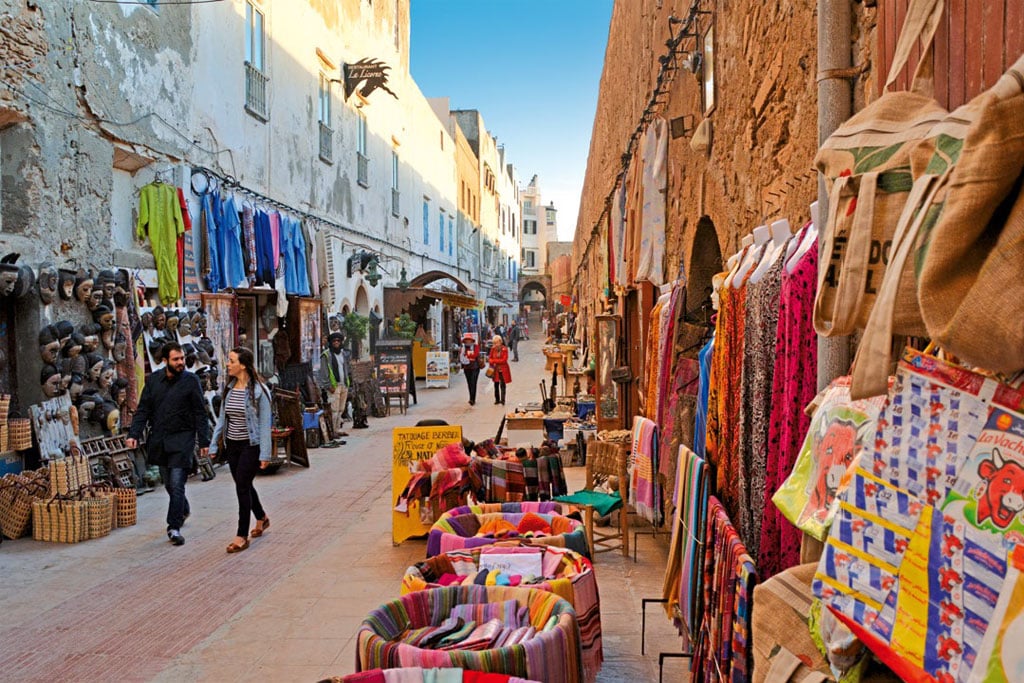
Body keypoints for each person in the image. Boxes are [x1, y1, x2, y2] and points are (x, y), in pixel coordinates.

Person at [127, 341, 210, 546]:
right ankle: (183, 508)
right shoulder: (154, 381)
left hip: (183, 439)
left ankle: (173, 527)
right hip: (161, 440)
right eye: (176, 359)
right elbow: (143, 410)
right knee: (168, 482)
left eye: (182, 358)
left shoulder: (191, 381)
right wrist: (134, 434)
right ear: (165, 361)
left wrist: (204, 441)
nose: (181, 362)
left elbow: (201, 412)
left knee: (176, 481)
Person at [208, 347, 272, 554]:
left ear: (243, 365)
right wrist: (213, 443)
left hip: (250, 446)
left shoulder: (259, 391)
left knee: (242, 486)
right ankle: (261, 517)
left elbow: (264, 425)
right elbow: (221, 418)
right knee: (243, 484)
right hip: (232, 444)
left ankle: (241, 535)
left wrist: (265, 454)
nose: (228, 364)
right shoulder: (229, 388)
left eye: (232, 360)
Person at [317, 332, 350, 438]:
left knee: (341, 409)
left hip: (343, 385)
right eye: (334, 341)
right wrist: (328, 385)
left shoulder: (344, 354)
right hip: (333, 386)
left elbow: (347, 369)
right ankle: (333, 431)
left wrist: (348, 383)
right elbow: (323, 372)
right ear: (331, 343)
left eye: (338, 341)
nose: (336, 343)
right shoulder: (326, 355)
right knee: (334, 410)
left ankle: (338, 429)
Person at [458, 334, 482, 406]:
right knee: (469, 383)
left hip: (475, 367)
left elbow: (475, 354)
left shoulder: (476, 346)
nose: (468, 341)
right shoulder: (463, 348)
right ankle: (470, 397)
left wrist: (467, 356)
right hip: (467, 368)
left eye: (469, 340)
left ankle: (473, 399)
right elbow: (460, 356)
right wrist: (469, 357)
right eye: (466, 340)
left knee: (473, 383)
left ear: (472, 340)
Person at [488, 335, 511, 405]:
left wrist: (494, 361)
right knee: (496, 385)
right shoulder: (493, 349)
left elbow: (504, 360)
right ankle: (497, 399)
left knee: (503, 385)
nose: (495, 345)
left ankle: (503, 400)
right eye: (494, 343)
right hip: (495, 370)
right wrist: (494, 361)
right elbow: (490, 358)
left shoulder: (504, 349)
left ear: (500, 342)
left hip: (503, 370)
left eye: (496, 343)